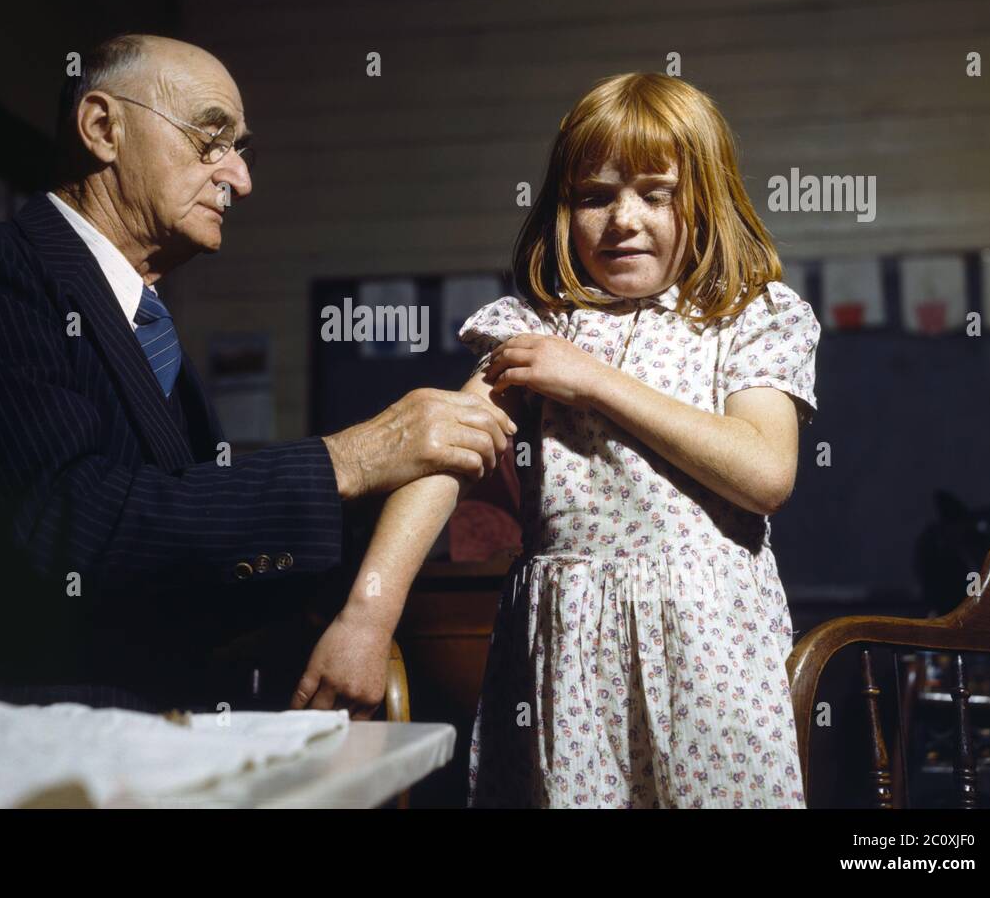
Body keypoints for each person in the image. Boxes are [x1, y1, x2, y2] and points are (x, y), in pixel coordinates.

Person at [0, 33, 515, 712]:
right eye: (211, 140)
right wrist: (350, 460)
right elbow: (63, 522)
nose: (240, 178)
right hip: (16, 749)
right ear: (101, 128)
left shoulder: (148, 331)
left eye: (240, 150)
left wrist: (381, 538)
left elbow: (192, 559)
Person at [294, 73, 820, 808]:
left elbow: (765, 471)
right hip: (567, 650)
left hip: (711, 647)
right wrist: (367, 616)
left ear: (707, 198)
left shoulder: (748, 315)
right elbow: (442, 459)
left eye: (655, 192)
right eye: (595, 195)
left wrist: (595, 381)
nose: (623, 219)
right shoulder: (537, 326)